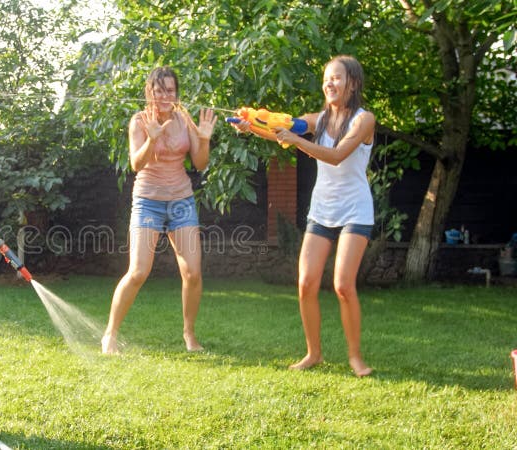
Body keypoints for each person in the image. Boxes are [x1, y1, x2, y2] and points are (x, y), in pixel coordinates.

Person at [231, 55, 375, 377]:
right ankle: (313, 354)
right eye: (326, 78)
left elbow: (337, 156)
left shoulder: (364, 120)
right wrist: (251, 125)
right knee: (306, 282)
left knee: (342, 285)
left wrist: (296, 140)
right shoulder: (318, 119)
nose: (329, 83)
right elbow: (281, 127)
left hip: (355, 208)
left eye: (336, 78)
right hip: (322, 208)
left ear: (352, 83)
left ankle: (355, 357)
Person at [101, 66, 217, 354]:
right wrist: (152, 138)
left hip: (181, 202)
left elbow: (200, 164)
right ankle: (110, 334)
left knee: (192, 272)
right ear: (149, 91)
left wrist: (203, 139)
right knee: (139, 271)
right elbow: (135, 164)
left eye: (170, 89)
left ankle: (189, 334)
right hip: (148, 201)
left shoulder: (184, 119)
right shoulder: (139, 121)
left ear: (176, 92)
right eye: (159, 89)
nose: (165, 95)